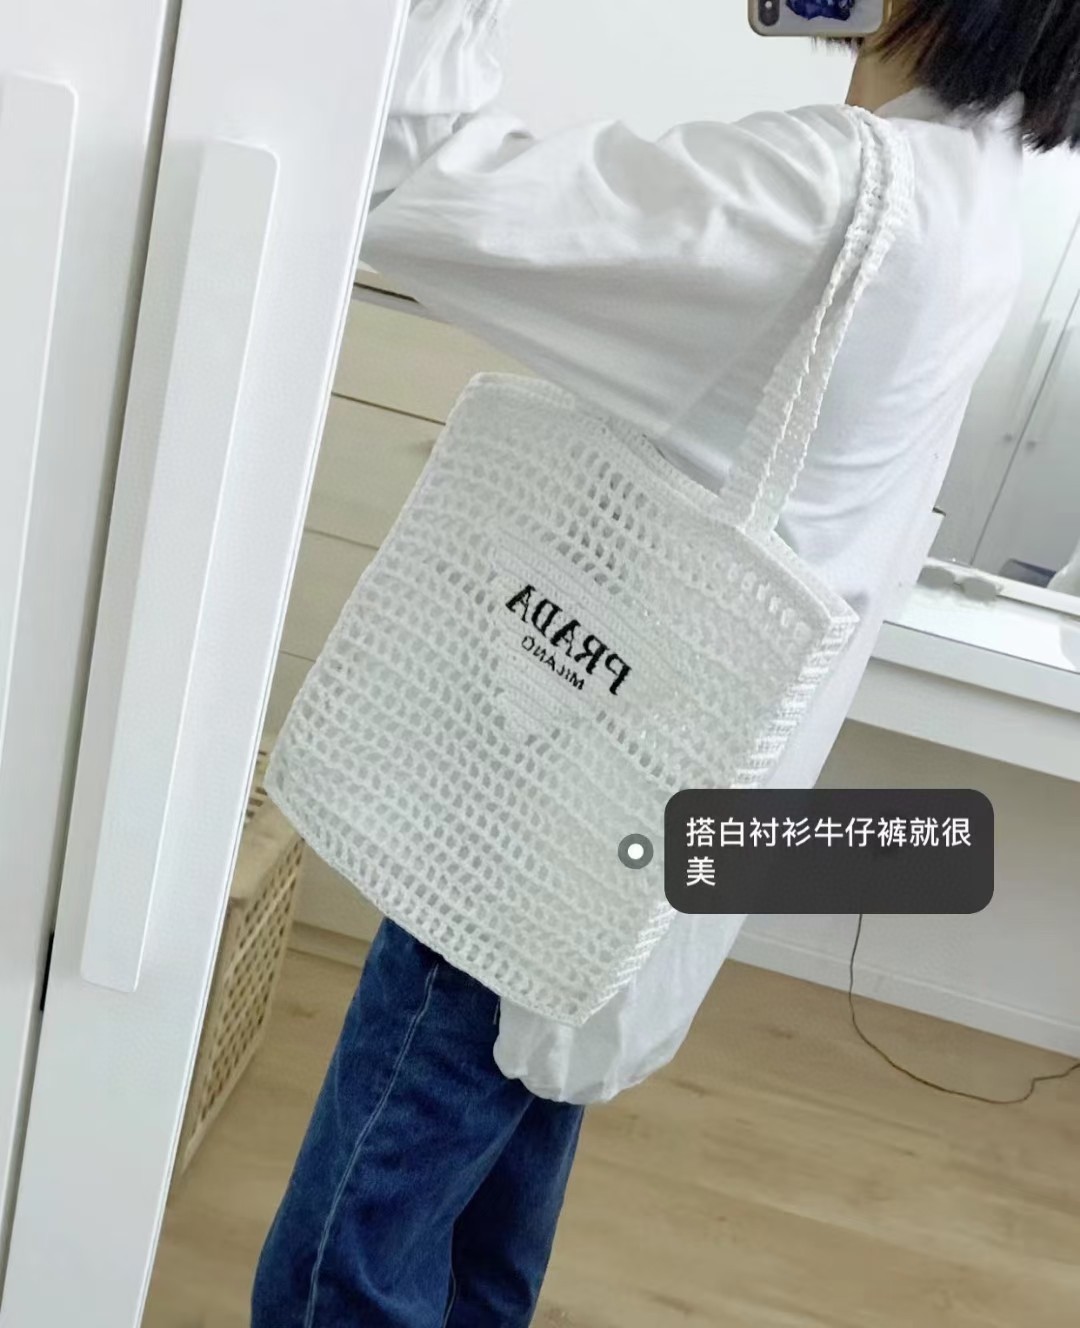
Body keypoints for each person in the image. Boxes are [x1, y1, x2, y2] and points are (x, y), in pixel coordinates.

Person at [252, 3, 1079, 1324]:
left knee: (348, 1264)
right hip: (649, 828)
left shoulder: (835, 196)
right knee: (487, 1217)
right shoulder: (974, 197)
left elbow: (403, 177)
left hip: (545, 822)